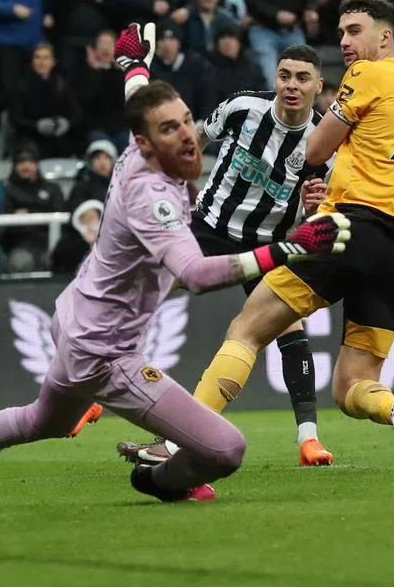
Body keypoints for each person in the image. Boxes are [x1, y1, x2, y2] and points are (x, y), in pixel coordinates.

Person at [0, 22, 350, 510]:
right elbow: (196, 275)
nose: (189, 137)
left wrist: (133, 65)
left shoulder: (138, 152)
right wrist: (290, 248)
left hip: (75, 320)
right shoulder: (155, 197)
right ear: (146, 144)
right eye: (172, 131)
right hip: (108, 354)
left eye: (187, 122)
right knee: (226, 449)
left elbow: (140, 100)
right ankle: (159, 479)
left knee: (39, 422)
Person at [123, 0, 394, 473]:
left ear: (385, 37)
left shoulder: (366, 76)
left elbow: (315, 147)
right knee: (352, 386)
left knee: (247, 329)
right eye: (341, 32)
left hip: (350, 228)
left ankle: (178, 444)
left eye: (354, 31)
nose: (344, 42)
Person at [116, 45, 337, 468]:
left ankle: (309, 439)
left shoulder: (325, 140)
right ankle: (97, 390)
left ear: (318, 85)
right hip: (210, 229)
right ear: (275, 78)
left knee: (291, 329)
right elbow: (192, 144)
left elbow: (318, 210)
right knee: (145, 291)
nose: (292, 85)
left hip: (268, 243)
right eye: (285, 75)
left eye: (302, 78)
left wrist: (313, 208)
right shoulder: (242, 108)